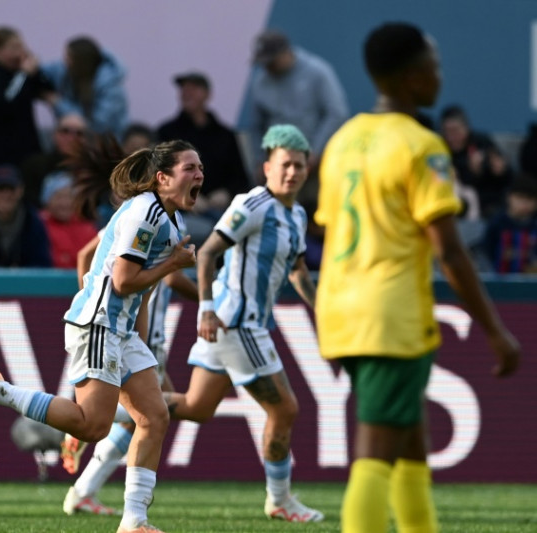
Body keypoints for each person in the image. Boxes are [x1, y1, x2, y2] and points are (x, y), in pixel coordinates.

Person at [316, 23, 520, 533]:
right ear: (412, 78)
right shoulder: (421, 145)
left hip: (341, 308)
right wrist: (495, 331)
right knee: (375, 452)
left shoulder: (342, 141)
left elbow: (329, 227)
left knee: (411, 446)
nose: (440, 75)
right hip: (390, 314)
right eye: (434, 66)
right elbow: (448, 249)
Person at [0, 140, 202, 533]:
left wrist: (141, 341)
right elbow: (123, 281)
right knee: (92, 426)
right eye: (190, 168)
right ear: (162, 178)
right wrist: (172, 265)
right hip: (100, 325)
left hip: (122, 330)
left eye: (200, 168)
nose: (200, 175)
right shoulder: (145, 213)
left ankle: (134, 521)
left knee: (154, 416)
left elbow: (144, 290)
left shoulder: (171, 220)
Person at [162, 125, 322, 522]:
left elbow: (298, 270)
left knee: (196, 407)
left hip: (234, 325)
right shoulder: (253, 204)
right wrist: (206, 308)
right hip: (236, 323)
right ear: (267, 168)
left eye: (299, 165)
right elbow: (207, 254)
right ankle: (280, 500)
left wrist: (322, 308)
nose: (292, 172)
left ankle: (105, 414)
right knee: (285, 409)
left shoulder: (297, 214)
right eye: (285, 165)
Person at [61, 229, 197, 516]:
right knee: (152, 412)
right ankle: (83, 427)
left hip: (132, 330)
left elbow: (85, 255)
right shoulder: (149, 219)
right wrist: (209, 301)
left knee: (150, 413)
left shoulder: (138, 218)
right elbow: (172, 278)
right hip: (137, 332)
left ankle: (85, 489)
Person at [248, 30, 348, 171]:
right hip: (278, 163)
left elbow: (336, 113)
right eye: (264, 63)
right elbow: (257, 126)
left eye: (272, 62)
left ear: (285, 52)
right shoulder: (261, 81)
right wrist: (259, 160)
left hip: (316, 162)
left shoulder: (317, 72)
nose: (268, 67)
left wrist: (315, 151)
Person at [157, 72, 251, 218]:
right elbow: (158, 175)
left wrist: (227, 193)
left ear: (207, 94)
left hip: (221, 212)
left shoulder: (225, 135)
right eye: (184, 89)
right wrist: (183, 193)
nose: (188, 93)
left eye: (194, 89)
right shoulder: (166, 133)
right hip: (179, 214)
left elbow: (241, 178)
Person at [0, 26, 57, 170]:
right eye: (14, 48)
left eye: (21, 47)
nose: (19, 53)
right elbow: (5, 102)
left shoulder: (19, 69)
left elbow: (47, 89)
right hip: (3, 151)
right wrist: (23, 75)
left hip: (30, 146)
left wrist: (35, 71)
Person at [43, 36, 130, 138]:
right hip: (78, 140)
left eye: (70, 57)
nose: (65, 60)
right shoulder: (66, 70)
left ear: (82, 62)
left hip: (108, 142)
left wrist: (59, 103)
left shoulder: (111, 87)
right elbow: (44, 71)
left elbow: (98, 125)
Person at [440, 105, 513, 218]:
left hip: (486, 202)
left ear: (466, 128)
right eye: (447, 131)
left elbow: (505, 177)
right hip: (452, 201)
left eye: (455, 130)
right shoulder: (439, 147)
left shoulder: (481, 143)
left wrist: (501, 171)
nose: (452, 137)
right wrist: (470, 172)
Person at [20, 113, 88, 208]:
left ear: (86, 140)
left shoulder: (92, 170)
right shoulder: (33, 165)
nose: (71, 138)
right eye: (65, 131)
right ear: (54, 135)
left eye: (79, 133)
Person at [40, 173, 98, 269]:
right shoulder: (38, 225)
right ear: (47, 200)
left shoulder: (87, 228)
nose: (65, 203)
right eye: (59, 197)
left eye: (69, 197)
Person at [483, 177, 537, 273]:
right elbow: (487, 251)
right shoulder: (497, 223)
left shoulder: (534, 226)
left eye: (530, 199)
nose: (524, 203)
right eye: (520, 197)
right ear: (509, 197)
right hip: (498, 277)